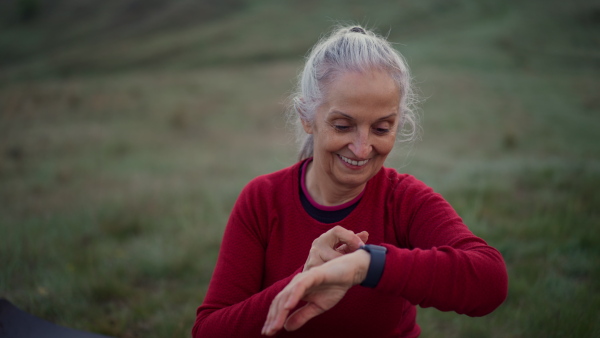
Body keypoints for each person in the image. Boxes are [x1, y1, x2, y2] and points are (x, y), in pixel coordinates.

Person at [192, 25, 508, 337]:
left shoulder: (403, 201)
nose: (362, 148)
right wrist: (304, 280)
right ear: (307, 117)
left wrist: (364, 266)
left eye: (382, 129)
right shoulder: (263, 200)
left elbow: (489, 281)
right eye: (343, 126)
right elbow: (208, 331)